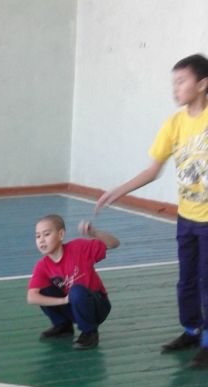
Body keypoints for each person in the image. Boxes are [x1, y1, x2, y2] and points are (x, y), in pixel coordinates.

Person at [96, 53, 208, 367]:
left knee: (206, 281)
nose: (175, 88)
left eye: (181, 81)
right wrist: (118, 190)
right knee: (186, 280)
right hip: (187, 217)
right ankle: (192, 330)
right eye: (173, 82)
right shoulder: (174, 124)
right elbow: (152, 170)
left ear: (202, 84)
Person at [27, 215, 120, 349]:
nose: (41, 240)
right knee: (43, 290)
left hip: (97, 306)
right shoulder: (42, 266)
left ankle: (89, 332)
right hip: (73, 305)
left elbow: (114, 243)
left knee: (76, 290)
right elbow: (32, 297)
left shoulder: (79, 248)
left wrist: (94, 232)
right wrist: (64, 300)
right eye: (37, 236)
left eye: (46, 234)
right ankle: (63, 325)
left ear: (61, 234)